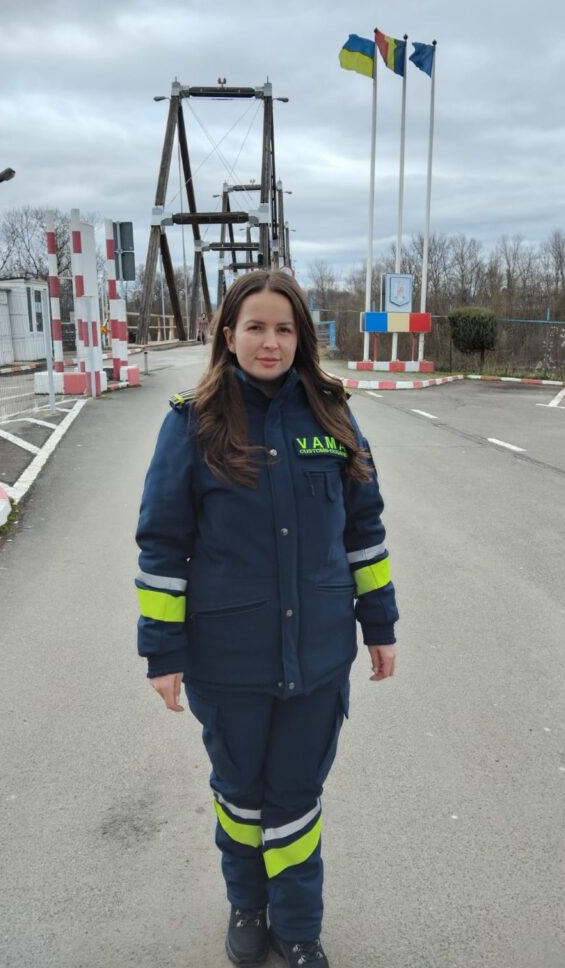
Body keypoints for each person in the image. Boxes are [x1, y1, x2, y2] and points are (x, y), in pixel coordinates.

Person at [136, 269, 398, 967]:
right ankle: (247, 907)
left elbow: (364, 532)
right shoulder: (192, 422)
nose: (270, 342)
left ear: (301, 338)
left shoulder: (333, 418)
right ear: (229, 335)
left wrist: (379, 626)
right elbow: (162, 544)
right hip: (229, 661)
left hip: (318, 657)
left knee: (297, 798)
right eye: (255, 327)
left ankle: (299, 928)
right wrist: (162, 652)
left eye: (284, 328)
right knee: (240, 796)